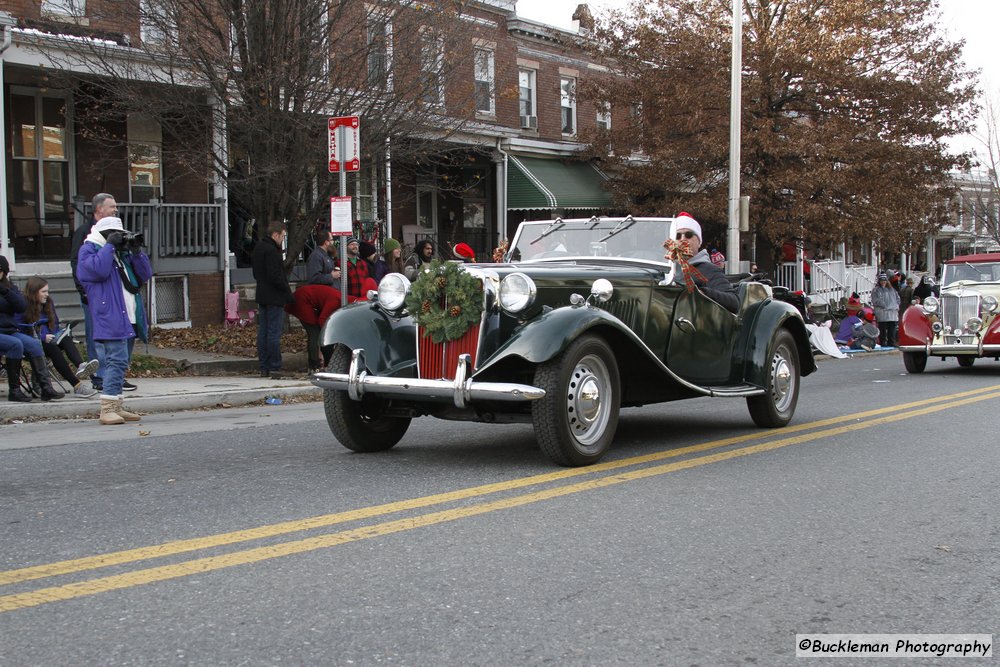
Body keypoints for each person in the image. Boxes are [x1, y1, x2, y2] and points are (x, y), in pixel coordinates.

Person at [77, 216, 152, 424]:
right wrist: (109, 246)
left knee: (122, 362)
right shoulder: (89, 250)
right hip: (110, 315)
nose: (116, 237)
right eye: (112, 233)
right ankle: (107, 408)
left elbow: (145, 275)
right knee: (115, 360)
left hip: (128, 315)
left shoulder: (121, 254)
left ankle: (116, 405)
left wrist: (136, 251)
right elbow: (98, 271)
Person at [15, 276, 99, 398]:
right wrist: (43, 337)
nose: (47, 294)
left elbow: (54, 323)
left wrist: (56, 333)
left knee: (65, 338)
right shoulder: (22, 306)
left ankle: (81, 365)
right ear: (33, 292)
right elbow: (20, 329)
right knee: (53, 349)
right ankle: (77, 385)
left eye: (47, 291)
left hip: (50, 338)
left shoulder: (48, 302)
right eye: (43, 292)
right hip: (33, 341)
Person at [70, 193, 118, 393]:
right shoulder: (84, 233)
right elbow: (76, 264)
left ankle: (114, 377)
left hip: (112, 295)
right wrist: (84, 293)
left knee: (114, 338)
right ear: (99, 209)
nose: (116, 209)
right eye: (112, 206)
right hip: (92, 295)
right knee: (96, 337)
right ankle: (99, 377)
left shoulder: (115, 232)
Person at [2, 255, 64, 402]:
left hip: (9, 330)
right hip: (5, 336)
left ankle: (45, 388)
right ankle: (14, 390)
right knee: (15, 345)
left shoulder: (10, 288)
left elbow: (21, 306)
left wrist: (5, 291)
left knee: (34, 344)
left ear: (4, 272)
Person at [665, 212, 740, 313]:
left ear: (699, 242)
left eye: (689, 235)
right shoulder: (663, 270)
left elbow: (734, 302)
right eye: (677, 236)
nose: (682, 239)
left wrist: (702, 293)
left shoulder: (709, 270)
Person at [252, 221, 294, 378]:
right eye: (282, 236)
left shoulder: (258, 248)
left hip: (262, 293)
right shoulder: (272, 251)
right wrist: (286, 291)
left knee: (263, 331)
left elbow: (256, 273)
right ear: (275, 234)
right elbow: (276, 276)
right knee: (273, 332)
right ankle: (275, 366)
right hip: (274, 295)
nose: (283, 239)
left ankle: (264, 366)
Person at [871, 272, 900, 347]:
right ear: (879, 281)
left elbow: (897, 299)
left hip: (892, 313)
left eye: (884, 280)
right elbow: (875, 300)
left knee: (892, 329)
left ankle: (891, 342)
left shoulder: (892, 290)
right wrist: (883, 305)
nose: (883, 282)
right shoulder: (876, 290)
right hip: (882, 312)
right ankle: (883, 343)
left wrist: (896, 306)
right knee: (882, 329)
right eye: (881, 280)